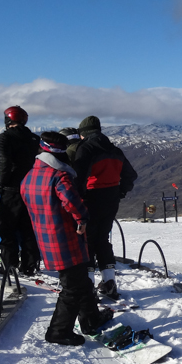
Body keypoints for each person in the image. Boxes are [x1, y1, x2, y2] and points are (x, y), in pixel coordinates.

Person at [21, 132, 112, 345]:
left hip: (45, 237)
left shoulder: (29, 176)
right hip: (65, 237)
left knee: (80, 280)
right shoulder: (59, 176)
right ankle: (58, 331)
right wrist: (82, 220)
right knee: (73, 287)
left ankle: (91, 319)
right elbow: (71, 201)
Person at [73, 116, 137, 300]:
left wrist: (79, 197)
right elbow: (130, 175)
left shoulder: (85, 149)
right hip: (111, 200)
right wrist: (120, 192)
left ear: (83, 134)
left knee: (87, 241)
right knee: (102, 239)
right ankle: (109, 282)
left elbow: (78, 177)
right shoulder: (114, 150)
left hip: (90, 199)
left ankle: (88, 286)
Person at [0, 105, 41, 275]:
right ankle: (30, 265)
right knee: (28, 228)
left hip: (12, 188)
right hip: (31, 188)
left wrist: (2, 182)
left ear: (8, 120)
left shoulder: (4, 138)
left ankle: (9, 264)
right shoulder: (34, 138)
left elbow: (4, 163)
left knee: (7, 228)